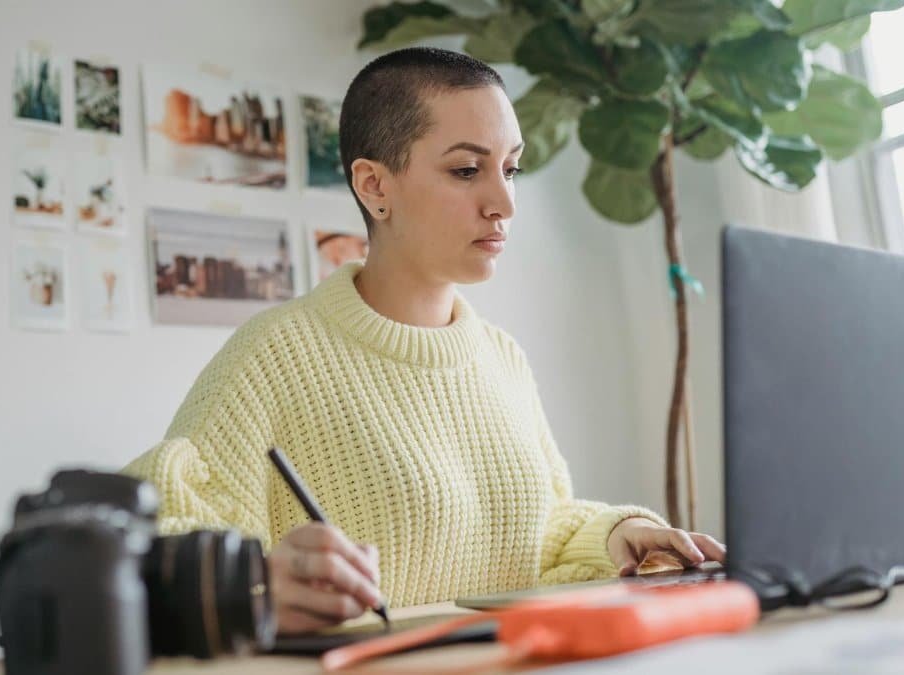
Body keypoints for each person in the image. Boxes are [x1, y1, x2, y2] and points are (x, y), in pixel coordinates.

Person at [124, 47, 726, 635]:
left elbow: (536, 534)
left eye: (509, 168)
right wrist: (258, 583)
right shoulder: (273, 355)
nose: (503, 202)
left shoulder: (501, 358)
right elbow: (154, 543)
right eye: (467, 170)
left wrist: (613, 535)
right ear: (374, 187)